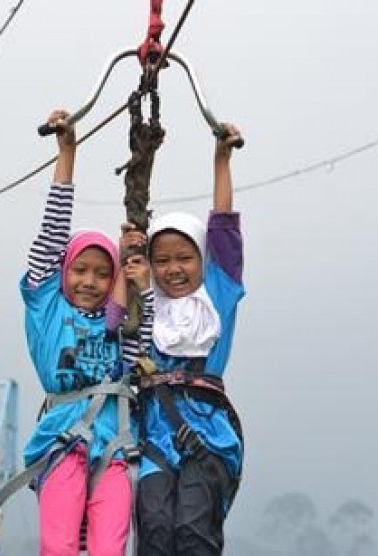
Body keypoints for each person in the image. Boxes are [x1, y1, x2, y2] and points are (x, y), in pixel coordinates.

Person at [17, 109, 153, 556]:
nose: (89, 281)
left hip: (115, 445)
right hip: (61, 442)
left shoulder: (117, 324)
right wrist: (67, 153)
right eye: (80, 270)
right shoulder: (47, 305)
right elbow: (53, 234)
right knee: (58, 547)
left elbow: (137, 354)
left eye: (101, 273)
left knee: (109, 548)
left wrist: (141, 290)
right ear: (62, 272)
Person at [135, 124, 245, 556]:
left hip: (207, 434)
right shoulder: (145, 308)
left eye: (184, 258)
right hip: (154, 439)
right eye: (161, 261)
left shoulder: (217, 296)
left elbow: (224, 231)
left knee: (193, 531)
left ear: (202, 260)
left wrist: (221, 160)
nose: (173, 270)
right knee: (157, 529)